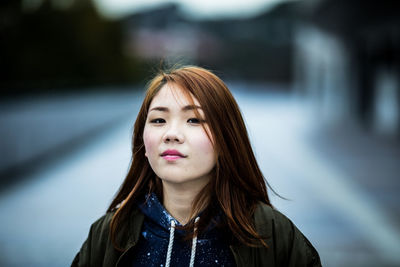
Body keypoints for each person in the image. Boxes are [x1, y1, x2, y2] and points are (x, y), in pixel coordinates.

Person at [71, 66, 321, 267]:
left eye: (193, 119)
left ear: (226, 139)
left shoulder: (272, 236)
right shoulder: (109, 234)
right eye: (158, 120)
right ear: (142, 142)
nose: (171, 134)